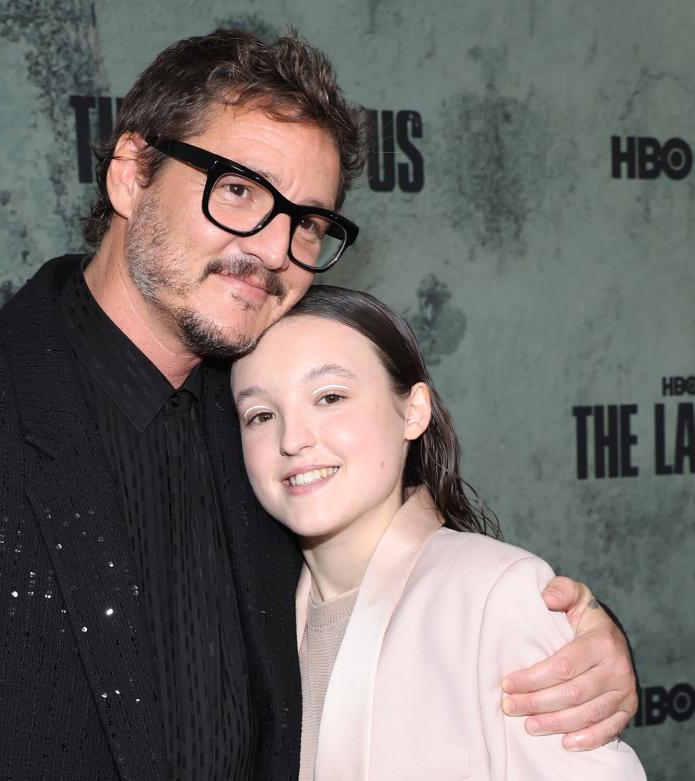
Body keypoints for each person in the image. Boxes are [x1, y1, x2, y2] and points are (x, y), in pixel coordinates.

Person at [0, 29, 637, 780]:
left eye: (306, 220)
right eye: (237, 189)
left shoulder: (275, 431)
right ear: (130, 173)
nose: (272, 247)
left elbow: (419, 598)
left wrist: (584, 645)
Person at [231, 285, 646, 780]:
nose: (293, 438)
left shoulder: (495, 593)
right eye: (260, 415)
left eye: (330, 397)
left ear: (413, 411)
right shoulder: (251, 615)